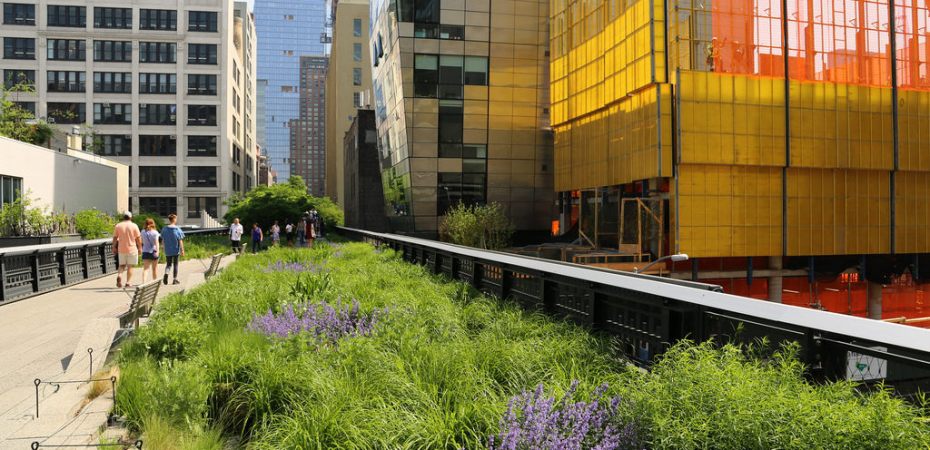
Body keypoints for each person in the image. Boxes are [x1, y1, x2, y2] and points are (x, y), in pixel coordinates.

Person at [112, 211, 142, 289]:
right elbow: (138, 238)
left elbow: (115, 237)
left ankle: (119, 275)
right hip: (132, 248)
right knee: (130, 266)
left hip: (121, 248)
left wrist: (113, 247)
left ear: (123, 217)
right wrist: (140, 248)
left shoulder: (118, 226)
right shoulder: (134, 226)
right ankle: (128, 282)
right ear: (130, 217)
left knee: (121, 265)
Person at [160, 214, 186, 285]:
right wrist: (182, 250)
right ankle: (175, 279)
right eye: (176, 219)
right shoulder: (177, 229)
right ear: (174, 219)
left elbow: (162, 240)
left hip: (168, 250)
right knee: (175, 264)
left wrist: (162, 247)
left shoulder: (164, 229)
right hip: (175, 249)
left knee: (168, 264)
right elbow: (180, 241)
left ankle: (166, 274)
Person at [140, 218, 161, 283]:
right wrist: (157, 251)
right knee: (154, 269)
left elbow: (142, 241)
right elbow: (157, 242)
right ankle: (155, 282)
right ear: (153, 224)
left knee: (145, 269)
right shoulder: (155, 232)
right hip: (153, 252)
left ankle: (144, 282)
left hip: (145, 251)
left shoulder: (143, 231)